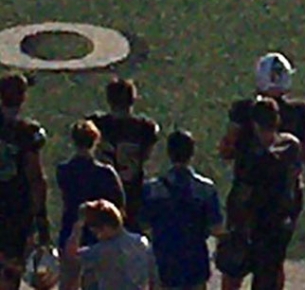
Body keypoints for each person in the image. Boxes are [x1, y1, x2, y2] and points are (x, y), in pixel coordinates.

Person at [223, 97, 303, 290]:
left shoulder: (250, 153)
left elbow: (243, 193)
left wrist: (234, 223)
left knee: (233, 274)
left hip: (250, 224)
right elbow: (296, 186)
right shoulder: (291, 146)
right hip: (277, 223)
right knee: (269, 278)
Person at [142, 130, 223, 290]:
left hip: (164, 260)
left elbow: (144, 225)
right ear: (192, 153)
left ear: (169, 153)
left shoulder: (153, 189)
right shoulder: (205, 189)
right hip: (195, 262)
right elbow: (216, 227)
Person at [56, 120, 126, 290]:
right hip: (98, 235)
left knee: (69, 280)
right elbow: (120, 204)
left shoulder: (64, 170)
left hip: (70, 229)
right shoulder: (105, 173)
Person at [220, 52, 305, 172]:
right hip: (287, 187)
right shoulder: (300, 111)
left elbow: (226, 151)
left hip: (249, 185)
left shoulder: (243, 110)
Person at [89, 77, 161, 231]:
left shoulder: (97, 124)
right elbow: (147, 155)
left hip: (103, 193)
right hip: (133, 192)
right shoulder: (144, 128)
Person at [0, 74, 51, 290]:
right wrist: (41, 216)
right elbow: (35, 178)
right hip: (15, 209)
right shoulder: (27, 133)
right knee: (12, 268)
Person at [65, 199, 155, 290]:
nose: (97, 237)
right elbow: (153, 277)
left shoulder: (102, 251)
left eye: (96, 232)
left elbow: (71, 255)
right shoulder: (142, 242)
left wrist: (78, 227)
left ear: (106, 227)